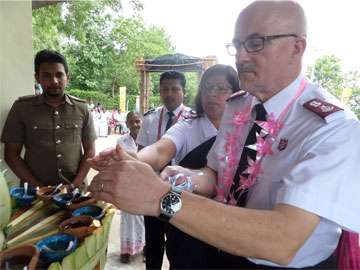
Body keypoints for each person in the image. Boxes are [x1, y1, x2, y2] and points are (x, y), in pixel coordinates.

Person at [88, 1, 360, 269]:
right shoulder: (239, 105)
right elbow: (216, 175)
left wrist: (159, 197)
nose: (241, 56)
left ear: (296, 48)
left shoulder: (331, 126)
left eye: (256, 43)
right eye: (237, 45)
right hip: (222, 254)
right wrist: (188, 179)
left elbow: (284, 240)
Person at [89, 64, 240, 268]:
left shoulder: (245, 130)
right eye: (207, 87)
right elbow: (160, 151)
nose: (213, 94)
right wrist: (132, 160)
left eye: (222, 88)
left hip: (231, 221)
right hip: (184, 212)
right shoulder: (188, 125)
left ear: (237, 93)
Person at [1, 49, 96, 188]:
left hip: (75, 193)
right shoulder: (21, 108)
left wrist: (73, 185)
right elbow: (11, 154)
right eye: (46, 75)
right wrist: (39, 188)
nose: (54, 81)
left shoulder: (81, 108)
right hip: (34, 195)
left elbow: (90, 151)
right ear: (37, 78)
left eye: (59, 75)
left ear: (67, 78)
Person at [136, 70, 194, 269]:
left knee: (177, 242)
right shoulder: (150, 118)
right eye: (165, 89)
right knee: (153, 242)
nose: (169, 94)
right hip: (152, 189)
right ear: (160, 91)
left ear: (184, 91)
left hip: (178, 192)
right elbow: (141, 153)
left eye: (175, 89)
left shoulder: (193, 119)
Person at [116, 111, 146, 264]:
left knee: (144, 217)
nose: (135, 125)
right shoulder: (121, 141)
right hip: (127, 185)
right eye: (131, 122)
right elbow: (118, 161)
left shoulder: (149, 140)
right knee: (127, 217)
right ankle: (126, 249)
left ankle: (146, 246)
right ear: (126, 124)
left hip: (144, 185)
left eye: (138, 121)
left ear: (142, 122)